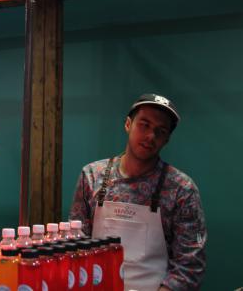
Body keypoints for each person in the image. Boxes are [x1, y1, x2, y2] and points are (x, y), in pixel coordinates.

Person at [70, 93, 206, 291]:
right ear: (128, 124)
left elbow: (190, 265)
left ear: (167, 139)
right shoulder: (92, 176)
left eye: (160, 131)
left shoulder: (181, 189)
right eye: (144, 125)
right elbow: (76, 246)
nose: (151, 136)